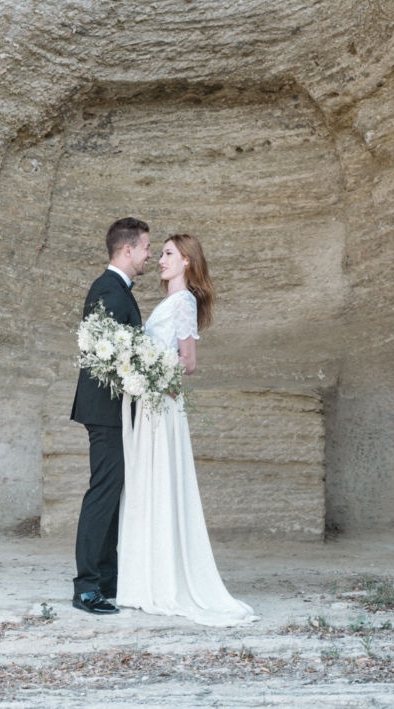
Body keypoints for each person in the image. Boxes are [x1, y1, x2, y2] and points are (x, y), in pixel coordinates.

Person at [116, 234, 257, 626]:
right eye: (158, 253)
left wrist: (153, 376)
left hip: (162, 404)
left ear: (187, 263)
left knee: (160, 483)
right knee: (148, 483)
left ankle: (163, 581)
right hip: (153, 402)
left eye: (168, 254)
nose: (160, 259)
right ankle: (146, 579)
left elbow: (188, 363)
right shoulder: (170, 301)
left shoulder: (183, 301)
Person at [70, 216, 151, 615]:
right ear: (127, 249)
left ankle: (105, 577)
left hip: (114, 412)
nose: (149, 255)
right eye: (147, 248)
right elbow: (103, 357)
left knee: (111, 494)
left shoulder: (115, 289)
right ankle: (86, 587)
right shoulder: (108, 289)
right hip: (106, 413)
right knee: (102, 495)